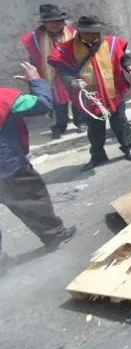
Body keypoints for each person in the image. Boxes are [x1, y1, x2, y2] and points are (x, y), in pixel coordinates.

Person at [0, 62, 77, 273]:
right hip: (9, 167)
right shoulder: (4, 97)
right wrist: (36, 81)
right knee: (33, 200)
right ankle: (55, 236)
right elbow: (43, 104)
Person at [48, 16, 131, 171]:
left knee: (120, 123)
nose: (92, 36)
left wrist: (130, 65)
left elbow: (125, 58)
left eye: (95, 32)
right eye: (88, 33)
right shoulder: (67, 49)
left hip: (113, 92)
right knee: (95, 128)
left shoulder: (112, 42)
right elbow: (63, 72)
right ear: (80, 32)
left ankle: (128, 147)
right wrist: (72, 82)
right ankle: (98, 155)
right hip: (89, 97)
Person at [20, 4, 82, 139]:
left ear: (63, 21)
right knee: (57, 103)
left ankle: (81, 122)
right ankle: (59, 126)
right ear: (44, 24)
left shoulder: (74, 33)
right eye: (49, 22)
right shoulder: (35, 39)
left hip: (72, 71)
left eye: (57, 21)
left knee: (78, 97)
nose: (54, 24)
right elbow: (34, 58)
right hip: (50, 74)